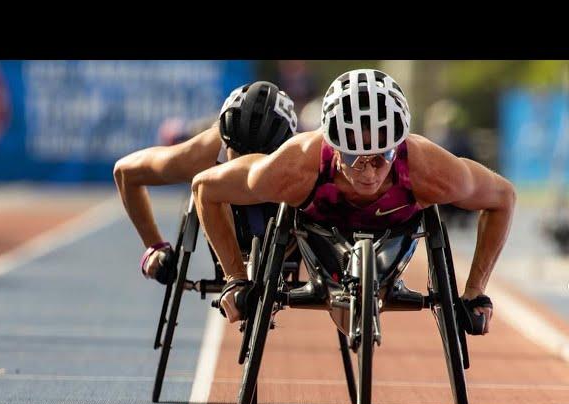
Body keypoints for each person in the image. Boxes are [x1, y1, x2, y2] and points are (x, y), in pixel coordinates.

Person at [191, 69, 516, 334]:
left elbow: (503, 197)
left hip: (395, 234)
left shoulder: (429, 169)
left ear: (398, 148)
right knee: (344, 316)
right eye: (353, 157)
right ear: (332, 146)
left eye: (380, 158)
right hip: (322, 235)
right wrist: (235, 278)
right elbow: (205, 188)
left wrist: (475, 290)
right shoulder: (297, 166)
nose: (368, 172)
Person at [113, 81, 297, 284]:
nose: (245, 168)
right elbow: (125, 172)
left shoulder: (302, 158)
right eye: (238, 155)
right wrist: (154, 246)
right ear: (224, 141)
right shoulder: (203, 152)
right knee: (210, 186)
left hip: (288, 233)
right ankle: (235, 275)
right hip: (228, 227)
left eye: (256, 160)